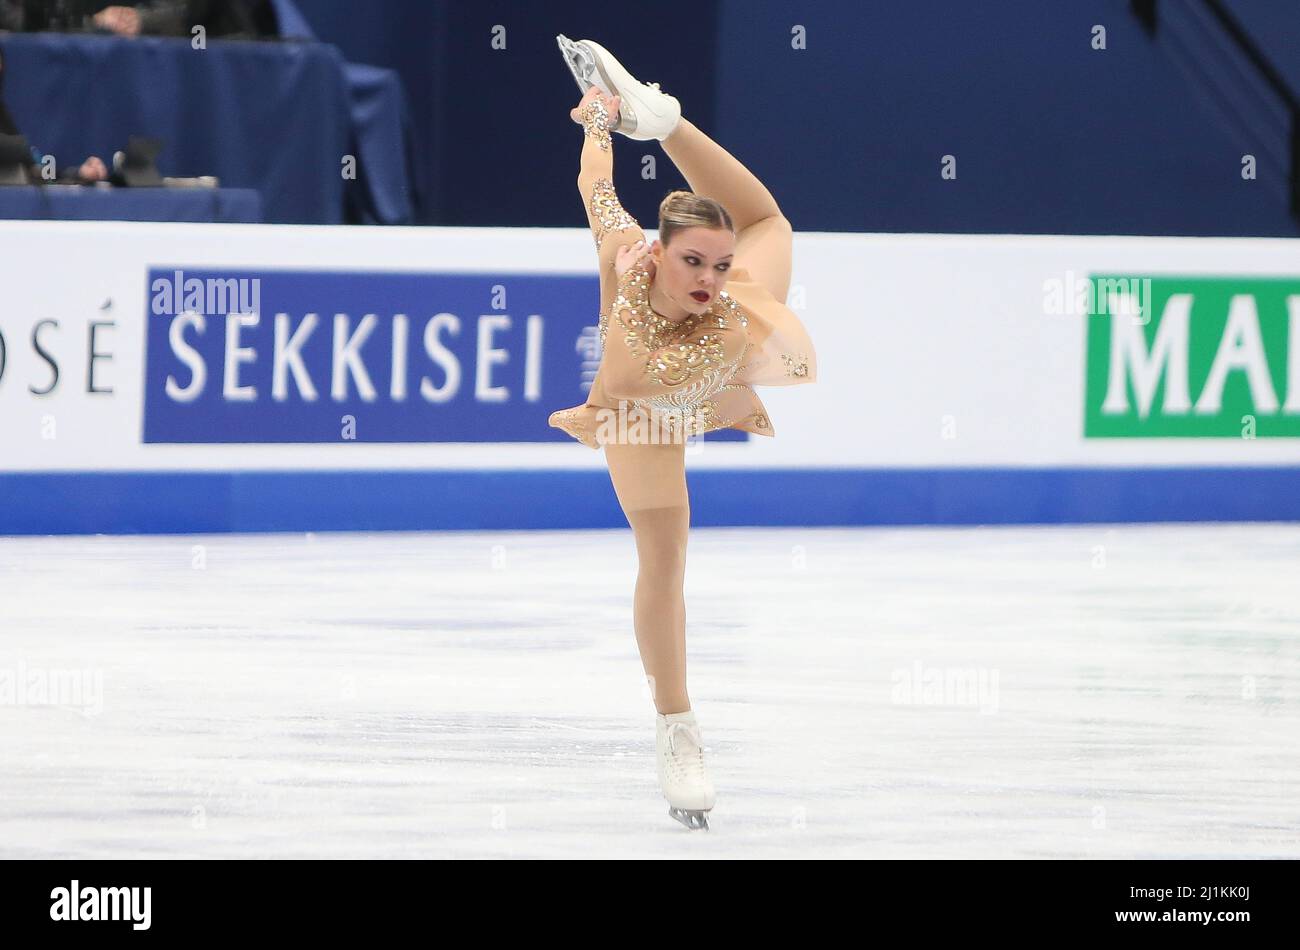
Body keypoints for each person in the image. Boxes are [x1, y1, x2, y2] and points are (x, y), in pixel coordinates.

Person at [548, 36, 817, 830]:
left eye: (719, 264)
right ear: (659, 256)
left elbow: (755, 223)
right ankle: (678, 729)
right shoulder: (624, 258)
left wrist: (613, 123)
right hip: (642, 420)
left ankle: (664, 118)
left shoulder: (736, 304)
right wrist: (597, 129)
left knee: (770, 219)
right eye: (694, 261)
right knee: (665, 561)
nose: (708, 276)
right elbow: (596, 188)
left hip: (708, 385)